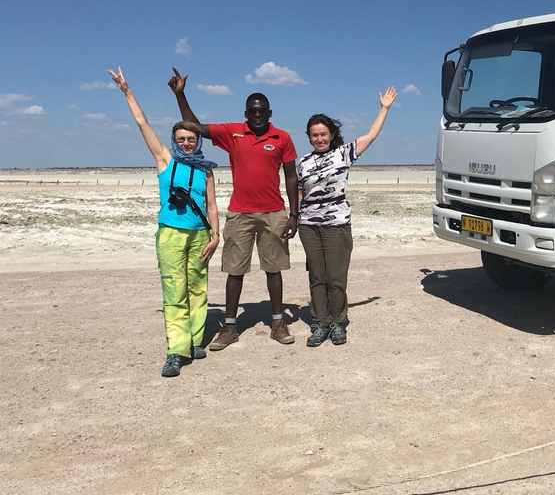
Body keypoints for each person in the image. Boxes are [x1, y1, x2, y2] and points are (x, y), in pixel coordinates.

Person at [168, 67, 299, 349]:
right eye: (252, 111)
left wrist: (294, 214)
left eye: (261, 110)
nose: (257, 114)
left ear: (270, 113)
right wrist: (180, 95)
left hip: (274, 212)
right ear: (245, 113)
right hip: (240, 212)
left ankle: (278, 323)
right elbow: (195, 127)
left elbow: (291, 176)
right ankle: (229, 327)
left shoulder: (282, 138)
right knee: (235, 270)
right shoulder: (233, 132)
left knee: (273, 269)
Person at [108, 67, 220, 378]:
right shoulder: (165, 161)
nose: (186, 143)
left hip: (200, 236)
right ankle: (176, 351)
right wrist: (127, 91)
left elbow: (212, 206)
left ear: (198, 141)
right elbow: (142, 123)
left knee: (197, 288)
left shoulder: (206, 170)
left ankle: (195, 341)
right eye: (181, 139)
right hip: (171, 233)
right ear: (174, 140)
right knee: (174, 291)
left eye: (191, 139)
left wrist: (216, 236)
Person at [298, 86, 397, 347]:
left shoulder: (343, 154)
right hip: (308, 224)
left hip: (337, 223)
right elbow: (299, 191)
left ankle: (337, 322)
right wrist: (294, 217)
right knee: (317, 275)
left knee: (336, 276)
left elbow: (371, 135)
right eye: (314, 135)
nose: (319, 139)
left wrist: (384, 108)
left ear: (331, 135)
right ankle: (319, 323)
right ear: (309, 138)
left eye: (323, 134)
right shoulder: (303, 162)